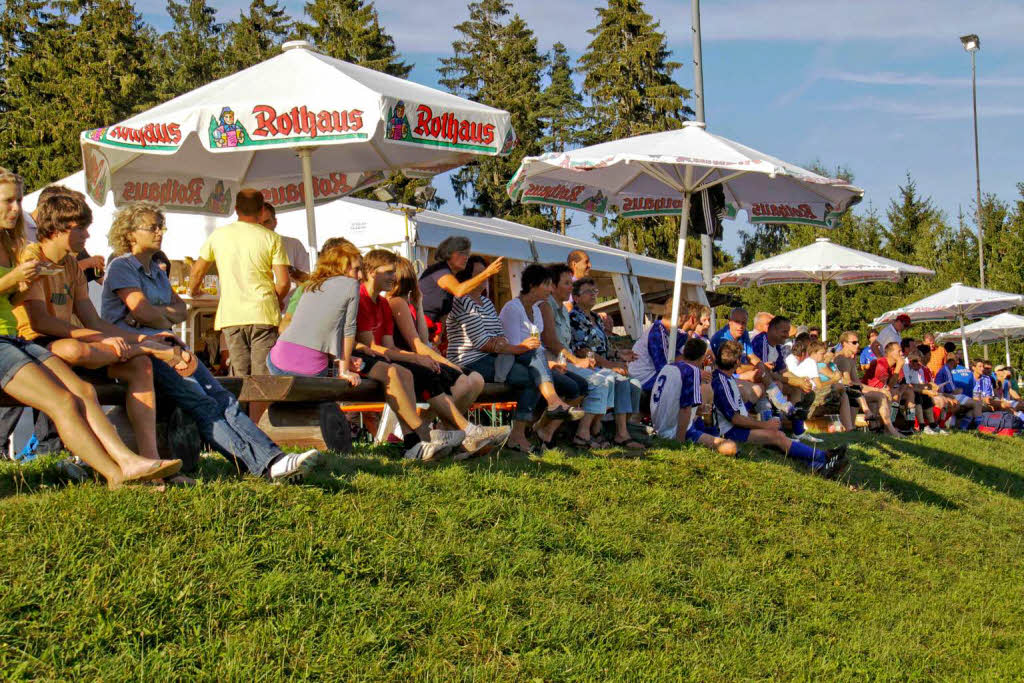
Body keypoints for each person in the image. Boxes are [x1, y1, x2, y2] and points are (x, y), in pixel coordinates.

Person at [102, 202, 321, 481]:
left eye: (161, 225)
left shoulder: (156, 270)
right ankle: (263, 465)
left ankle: (273, 458)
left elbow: (180, 311)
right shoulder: (122, 267)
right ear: (130, 233)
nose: (160, 232)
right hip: (140, 352)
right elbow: (143, 309)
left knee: (222, 397)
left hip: (166, 344)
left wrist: (155, 317)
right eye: (152, 227)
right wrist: (157, 317)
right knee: (201, 401)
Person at [0, 167, 182, 487]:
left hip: (22, 343)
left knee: (123, 371)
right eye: (81, 229)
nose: (86, 237)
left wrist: (131, 339)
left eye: (18, 200)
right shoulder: (30, 253)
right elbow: (41, 322)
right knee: (74, 363)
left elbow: (93, 320)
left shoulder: (56, 259)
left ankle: (143, 462)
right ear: (58, 229)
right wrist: (129, 339)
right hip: (33, 340)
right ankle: (117, 471)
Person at [358, 249, 506, 460]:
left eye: (393, 273)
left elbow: (418, 340)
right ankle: (457, 433)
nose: (392, 277)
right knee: (438, 376)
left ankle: (449, 435)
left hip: (399, 358)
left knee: (471, 379)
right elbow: (408, 345)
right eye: (388, 272)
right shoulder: (393, 301)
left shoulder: (388, 302)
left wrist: (418, 304)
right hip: (388, 360)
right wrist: (422, 358)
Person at [447, 255, 576, 453]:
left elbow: (500, 336)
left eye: (486, 273)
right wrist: (516, 347)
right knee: (531, 370)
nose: (485, 277)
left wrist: (503, 345)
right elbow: (481, 344)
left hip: (494, 358)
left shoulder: (486, 303)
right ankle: (534, 421)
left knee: (534, 356)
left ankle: (536, 419)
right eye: (480, 274)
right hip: (470, 361)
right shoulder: (462, 302)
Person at [711, 341, 848, 479]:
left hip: (736, 427)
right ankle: (824, 457)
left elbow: (738, 411)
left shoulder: (725, 379)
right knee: (776, 436)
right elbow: (734, 418)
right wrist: (764, 425)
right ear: (737, 362)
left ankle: (818, 465)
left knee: (778, 436)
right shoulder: (721, 382)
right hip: (730, 432)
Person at [189, 189, 289, 376]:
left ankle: (241, 406)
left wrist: (193, 290)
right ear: (261, 211)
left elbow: (197, 271)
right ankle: (261, 406)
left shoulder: (218, 235)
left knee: (239, 375)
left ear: (236, 209)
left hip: (232, 313)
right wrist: (274, 299)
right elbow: (283, 282)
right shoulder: (271, 238)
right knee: (262, 376)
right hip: (263, 312)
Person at [542, 265, 643, 449]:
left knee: (630, 383)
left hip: (570, 361)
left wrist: (618, 354)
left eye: (594, 291)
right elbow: (575, 347)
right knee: (605, 380)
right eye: (567, 284)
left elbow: (598, 345)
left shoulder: (568, 312)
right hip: (558, 363)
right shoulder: (561, 311)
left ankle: (614, 429)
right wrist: (608, 364)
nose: (570, 288)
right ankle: (587, 432)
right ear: (553, 286)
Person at [387, 255, 492, 428]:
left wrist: (419, 304)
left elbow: (423, 338)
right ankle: (444, 428)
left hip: (419, 357)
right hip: (410, 360)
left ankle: (440, 427)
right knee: (464, 383)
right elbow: (418, 345)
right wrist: (448, 364)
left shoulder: (407, 303)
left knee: (477, 380)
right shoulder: (397, 302)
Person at [499, 263, 586, 451]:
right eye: (546, 284)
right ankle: (524, 431)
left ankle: (539, 427)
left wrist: (550, 363)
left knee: (576, 386)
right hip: (510, 362)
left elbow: (536, 347)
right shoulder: (512, 308)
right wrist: (545, 361)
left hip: (533, 362)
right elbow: (512, 346)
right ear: (532, 285)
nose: (550, 289)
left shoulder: (536, 310)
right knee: (535, 376)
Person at [266, 239, 361, 383]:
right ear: (342, 267)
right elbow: (348, 330)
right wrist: (344, 370)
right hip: (312, 370)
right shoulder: (351, 284)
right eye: (356, 269)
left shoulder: (311, 284)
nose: (360, 275)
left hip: (277, 360)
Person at [648, 336, 737, 455]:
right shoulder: (692, 372)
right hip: (673, 430)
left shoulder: (668, 367)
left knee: (706, 402)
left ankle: (709, 428)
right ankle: (710, 430)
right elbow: (685, 409)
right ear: (702, 357)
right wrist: (680, 442)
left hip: (659, 424)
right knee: (730, 447)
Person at [419, 236, 503, 342]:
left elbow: (444, 313)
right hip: (417, 327)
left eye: (467, 254)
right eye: (461, 253)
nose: (466, 257)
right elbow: (458, 291)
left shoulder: (451, 277)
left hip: (429, 332)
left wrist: (438, 337)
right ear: (448, 253)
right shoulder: (440, 269)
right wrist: (487, 273)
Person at [749, 316, 819, 442]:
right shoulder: (762, 342)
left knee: (797, 390)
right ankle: (777, 429)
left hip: (770, 382)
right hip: (756, 382)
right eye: (784, 332)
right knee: (778, 385)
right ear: (774, 330)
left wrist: (801, 381)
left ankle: (797, 432)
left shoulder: (776, 346)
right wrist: (797, 381)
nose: (787, 335)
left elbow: (783, 371)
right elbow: (766, 373)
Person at [834, 330, 901, 437]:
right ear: (844, 344)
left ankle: (885, 428)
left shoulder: (850, 359)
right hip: (849, 392)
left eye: (858, 342)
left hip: (857, 391)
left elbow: (856, 382)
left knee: (898, 394)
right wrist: (880, 389)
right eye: (854, 342)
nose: (858, 344)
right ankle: (889, 429)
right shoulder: (880, 364)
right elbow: (851, 383)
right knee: (887, 395)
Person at [864, 341, 917, 433]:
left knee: (909, 393)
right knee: (895, 395)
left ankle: (910, 425)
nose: (902, 353)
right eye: (899, 351)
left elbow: (902, 382)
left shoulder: (895, 364)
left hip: (884, 390)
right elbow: (887, 387)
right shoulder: (881, 364)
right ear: (890, 353)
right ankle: (889, 425)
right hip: (870, 390)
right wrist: (899, 367)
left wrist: (902, 389)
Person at [260, 203, 309, 283]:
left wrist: (293, 271)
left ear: (275, 222)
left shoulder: (293, 244)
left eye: (266, 222)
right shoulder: (244, 249)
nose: (262, 228)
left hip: (292, 295)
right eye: (258, 224)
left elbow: (309, 279)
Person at [933, 353, 984, 424]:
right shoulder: (946, 370)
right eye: (957, 361)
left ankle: (964, 426)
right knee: (976, 404)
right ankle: (979, 426)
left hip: (947, 395)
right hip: (946, 395)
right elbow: (953, 391)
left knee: (973, 406)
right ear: (952, 361)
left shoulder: (947, 370)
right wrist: (959, 391)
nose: (958, 363)